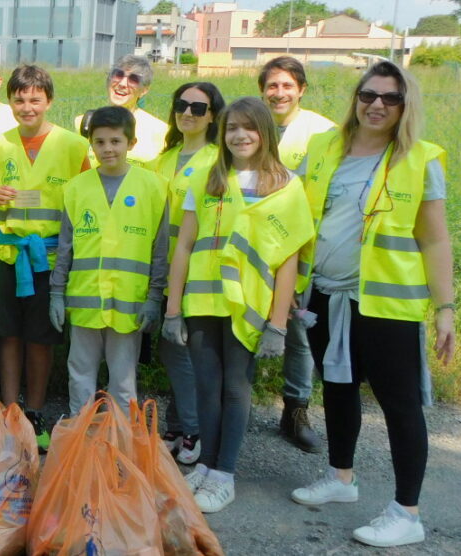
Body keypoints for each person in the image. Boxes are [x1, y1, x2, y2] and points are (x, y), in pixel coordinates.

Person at [288, 62, 453, 548]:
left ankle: (407, 512)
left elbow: (436, 238)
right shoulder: (324, 149)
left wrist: (445, 307)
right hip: (324, 295)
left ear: (406, 106)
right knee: (337, 389)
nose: (377, 104)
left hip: (384, 303)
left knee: (400, 405)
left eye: (391, 98)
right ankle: (342, 479)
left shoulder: (421, 159)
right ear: (355, 98)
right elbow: (295, 212)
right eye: (369, 94)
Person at [164, 97, 314, 514]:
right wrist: (173, 310)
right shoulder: (209, 180)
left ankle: (225, 473)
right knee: (206, 387)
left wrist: (278, 323)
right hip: (203, 300)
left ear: (264, 132)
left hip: (247, 307)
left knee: (235, 388)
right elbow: (185, 247)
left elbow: (288, 260)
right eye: (232, 127)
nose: (239, 135)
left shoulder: (285, 186)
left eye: (249, 127)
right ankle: (208, 465)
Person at [0, 64, 91, 450]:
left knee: (40, 339)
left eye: (35, 99)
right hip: (8, 256)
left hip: (49, 259)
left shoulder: (74, 146)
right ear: (9, 100)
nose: (27, 107)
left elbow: (85, 201)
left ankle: (36, 411)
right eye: (19, 99)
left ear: (49, 101)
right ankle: (10, 411)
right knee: (8, 335)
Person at [50, 106, 169, 415]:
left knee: (123, 382)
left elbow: (160, 249)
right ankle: (82, 442)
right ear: (91, 144)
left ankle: (120, 449)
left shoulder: (154, 187)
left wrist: (155, 298)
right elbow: (66, 248)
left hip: (129, 302)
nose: (107, 149)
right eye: (99, 142)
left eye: (115, 141)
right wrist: (56, 294)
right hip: (84, 301)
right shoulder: (75, 188)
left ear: (131, 143)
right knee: (80, 376)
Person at [259, 55, 336, 453]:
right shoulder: (252, 122)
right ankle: (230, 404)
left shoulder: (321, 132)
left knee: (298, 334)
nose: (279, 93)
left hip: (299, 246)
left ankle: (295, 411)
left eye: (287, 85)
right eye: (272, 85)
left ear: (301, 89)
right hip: (254, 244)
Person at [147, 81, 225, 464]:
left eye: (198, 107)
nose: (188, 113)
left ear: (212, 115)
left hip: (197, 269)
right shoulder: (163, 159)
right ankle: (178, 427)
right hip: (161, 268)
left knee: (185, 352)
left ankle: (193, 429)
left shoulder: (217, 160)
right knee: (170, 349)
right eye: (182, 104)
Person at [74, 55, 168, 164]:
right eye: (118, 74)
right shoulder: (84, 122)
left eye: (134, 79)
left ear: (144, 91)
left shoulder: (160, 131)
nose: (122, 84)